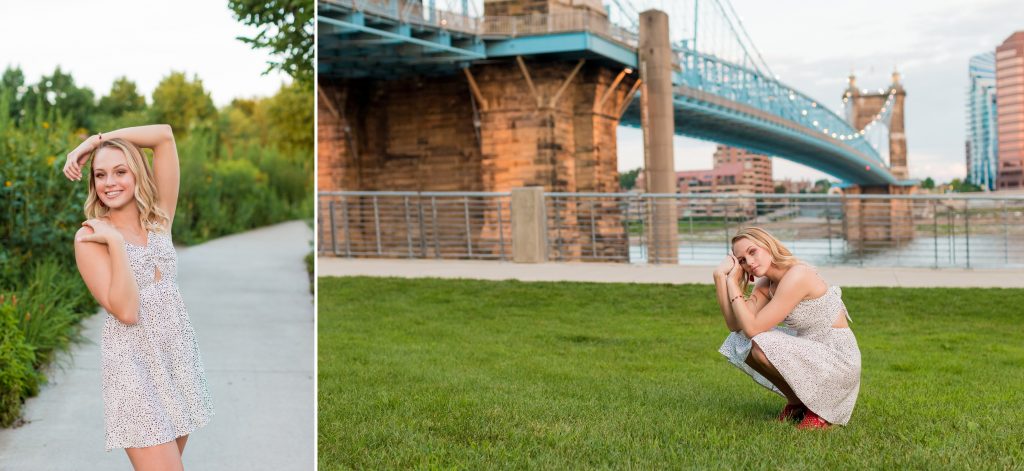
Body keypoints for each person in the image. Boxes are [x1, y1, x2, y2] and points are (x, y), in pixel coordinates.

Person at [63, 125, 214, 469]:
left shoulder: (159, 217)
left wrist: (94, 141)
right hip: (132, 368)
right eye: (100, 175)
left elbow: (164, 136)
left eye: (120, 171)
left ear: (137, 173)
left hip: (176, 359)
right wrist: (115, 242)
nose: (109, 182)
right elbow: (127, 311)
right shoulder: (90, 238)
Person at [712, 227, 860, 429]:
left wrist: (733, 285)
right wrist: (721, 277)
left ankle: (821, 411)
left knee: (759, 341)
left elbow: (753, 329)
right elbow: (735, 326)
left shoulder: (798, 275)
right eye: (742, 260)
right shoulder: (767, 282)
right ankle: (797, 403)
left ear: (768, 245)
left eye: (752, 251)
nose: (749, 262)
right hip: (811, 349)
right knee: (738, 339)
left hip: (837, 359)